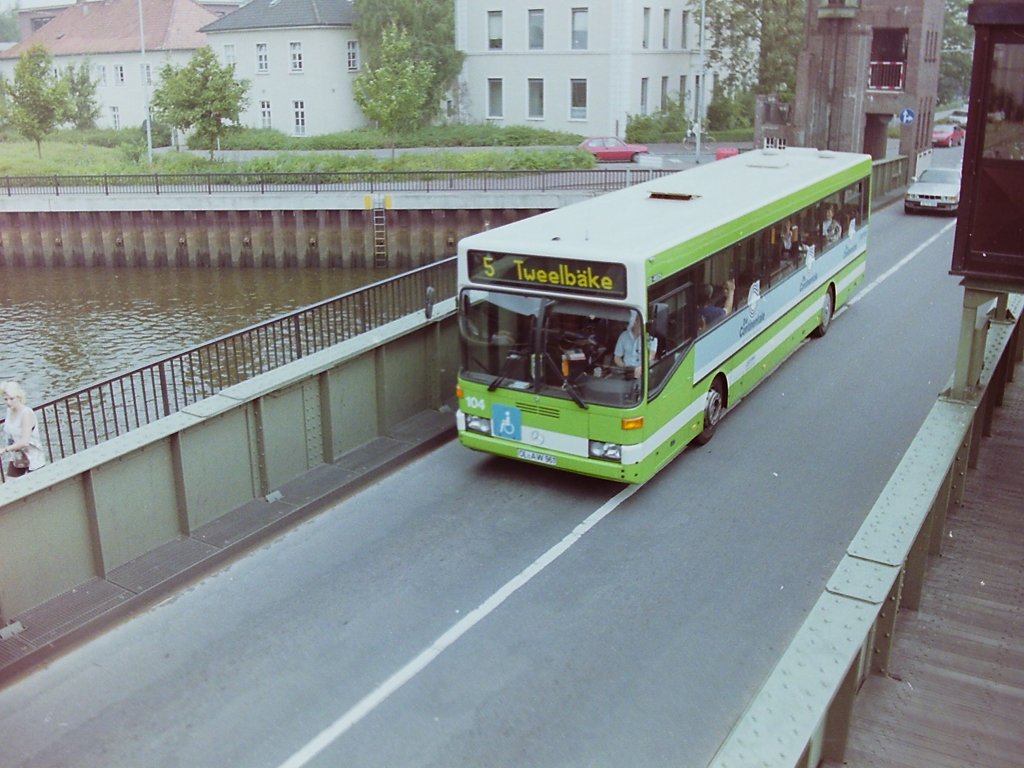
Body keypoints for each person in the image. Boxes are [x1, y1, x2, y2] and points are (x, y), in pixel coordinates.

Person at [2, 381, 47, 478]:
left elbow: (24, 442)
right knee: (11, 485)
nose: (8, 402)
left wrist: (5, 449)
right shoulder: (9, 411)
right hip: (17, 458)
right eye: (5, 399)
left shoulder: (26, 413)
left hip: (33, 459)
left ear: (19, 397)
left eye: (11, 399)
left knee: (33, 486)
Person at [613, 312, 657, 379]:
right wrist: (625, 367)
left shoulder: (651, 337)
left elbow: (651, 355)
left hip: (644, 374)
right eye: (638, 320)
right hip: (627, 373)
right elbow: (617, 357)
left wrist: (641, 368)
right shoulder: (624, 336)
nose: (641, 323)